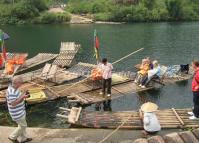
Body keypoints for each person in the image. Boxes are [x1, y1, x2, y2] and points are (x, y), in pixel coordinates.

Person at [6, 77, 32, 143]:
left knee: (21, 125)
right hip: (17, 113)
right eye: (20, 83)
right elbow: (13, 104)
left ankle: (23, 138)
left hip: (20, 111)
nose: (21, 84)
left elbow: (17, 98)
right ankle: (12, 137)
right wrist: (23, 96)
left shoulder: (14, 88)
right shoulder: (12, 92)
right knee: (23, 126)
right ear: (16, 83)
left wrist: (23, 93)